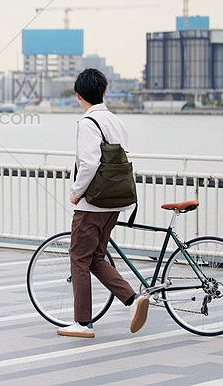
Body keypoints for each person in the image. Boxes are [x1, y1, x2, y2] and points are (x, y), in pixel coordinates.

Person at [57, 68, 149, 338]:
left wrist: (76, 192)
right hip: (114, 202)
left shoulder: (87, 123)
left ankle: (82, 322)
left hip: (92, 204)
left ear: (78, 96)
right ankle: (132, 300)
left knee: (79, 259)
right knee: (96, 257)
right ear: (104, 92)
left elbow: (88, 163)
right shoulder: (116, 121)